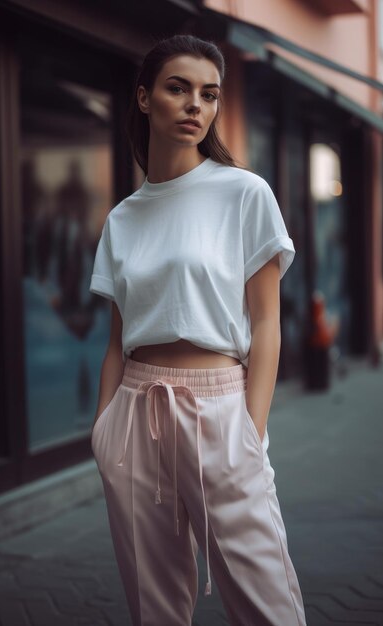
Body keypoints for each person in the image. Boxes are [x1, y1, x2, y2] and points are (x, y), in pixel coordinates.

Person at [89, 33, 307, 626]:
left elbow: (267, 321)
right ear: (143, 98)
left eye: (208, 94)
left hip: (221, 410)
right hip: (135, 413)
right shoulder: (123, 216)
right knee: (155, 607)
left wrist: (251, 432)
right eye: (177, 88)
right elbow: (117, 339)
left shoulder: (243, 192)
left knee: (267, 603)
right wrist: (104, 430)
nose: (194, 105)